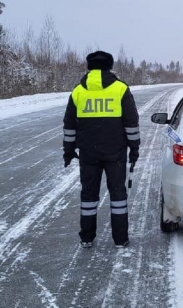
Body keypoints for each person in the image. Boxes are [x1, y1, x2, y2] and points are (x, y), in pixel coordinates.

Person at [62, 51, 140, 249]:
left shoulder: (78, 91)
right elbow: (131, 123)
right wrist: (134, 148)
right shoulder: (120, 89)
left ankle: (87, 238)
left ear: (89, 67)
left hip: (88, 154)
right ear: (109, 66)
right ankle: (120, 239)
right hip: (116, 153)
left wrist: (68, 151)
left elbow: (69, 125)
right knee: (118, 196)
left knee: (88, 196)